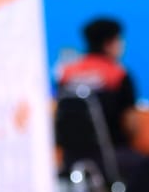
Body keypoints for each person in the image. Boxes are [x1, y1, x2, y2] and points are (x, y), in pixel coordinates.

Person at [56, 16, 142, 183]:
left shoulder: (66, 74)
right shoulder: (119, 75)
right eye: (119, 39)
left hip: (70, 160)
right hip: (110, 158)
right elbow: (131, 125)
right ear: (109, 43)